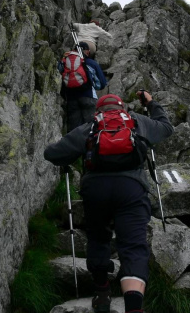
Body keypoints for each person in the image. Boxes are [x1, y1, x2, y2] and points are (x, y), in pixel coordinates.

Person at [44, 91, 174, 313]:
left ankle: (102, 293)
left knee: (98, 237)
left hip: (96, 190)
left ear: (99, 111)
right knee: (133, 245)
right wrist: (151, 103)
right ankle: (133, 308)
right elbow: (166, 127)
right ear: (122, 109)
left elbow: (52, 154)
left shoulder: (91, 126)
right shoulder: (137, 122)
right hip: (131, 189)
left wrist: (72, 155)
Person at [62, 41, 108, 132]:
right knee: (91, 127)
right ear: (86, 51)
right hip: (88, 96)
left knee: (74, 130)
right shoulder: (91, 63)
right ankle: (90, 144)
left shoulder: (66, 62)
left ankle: (75, 144)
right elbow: (102, 83)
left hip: (71, 98)